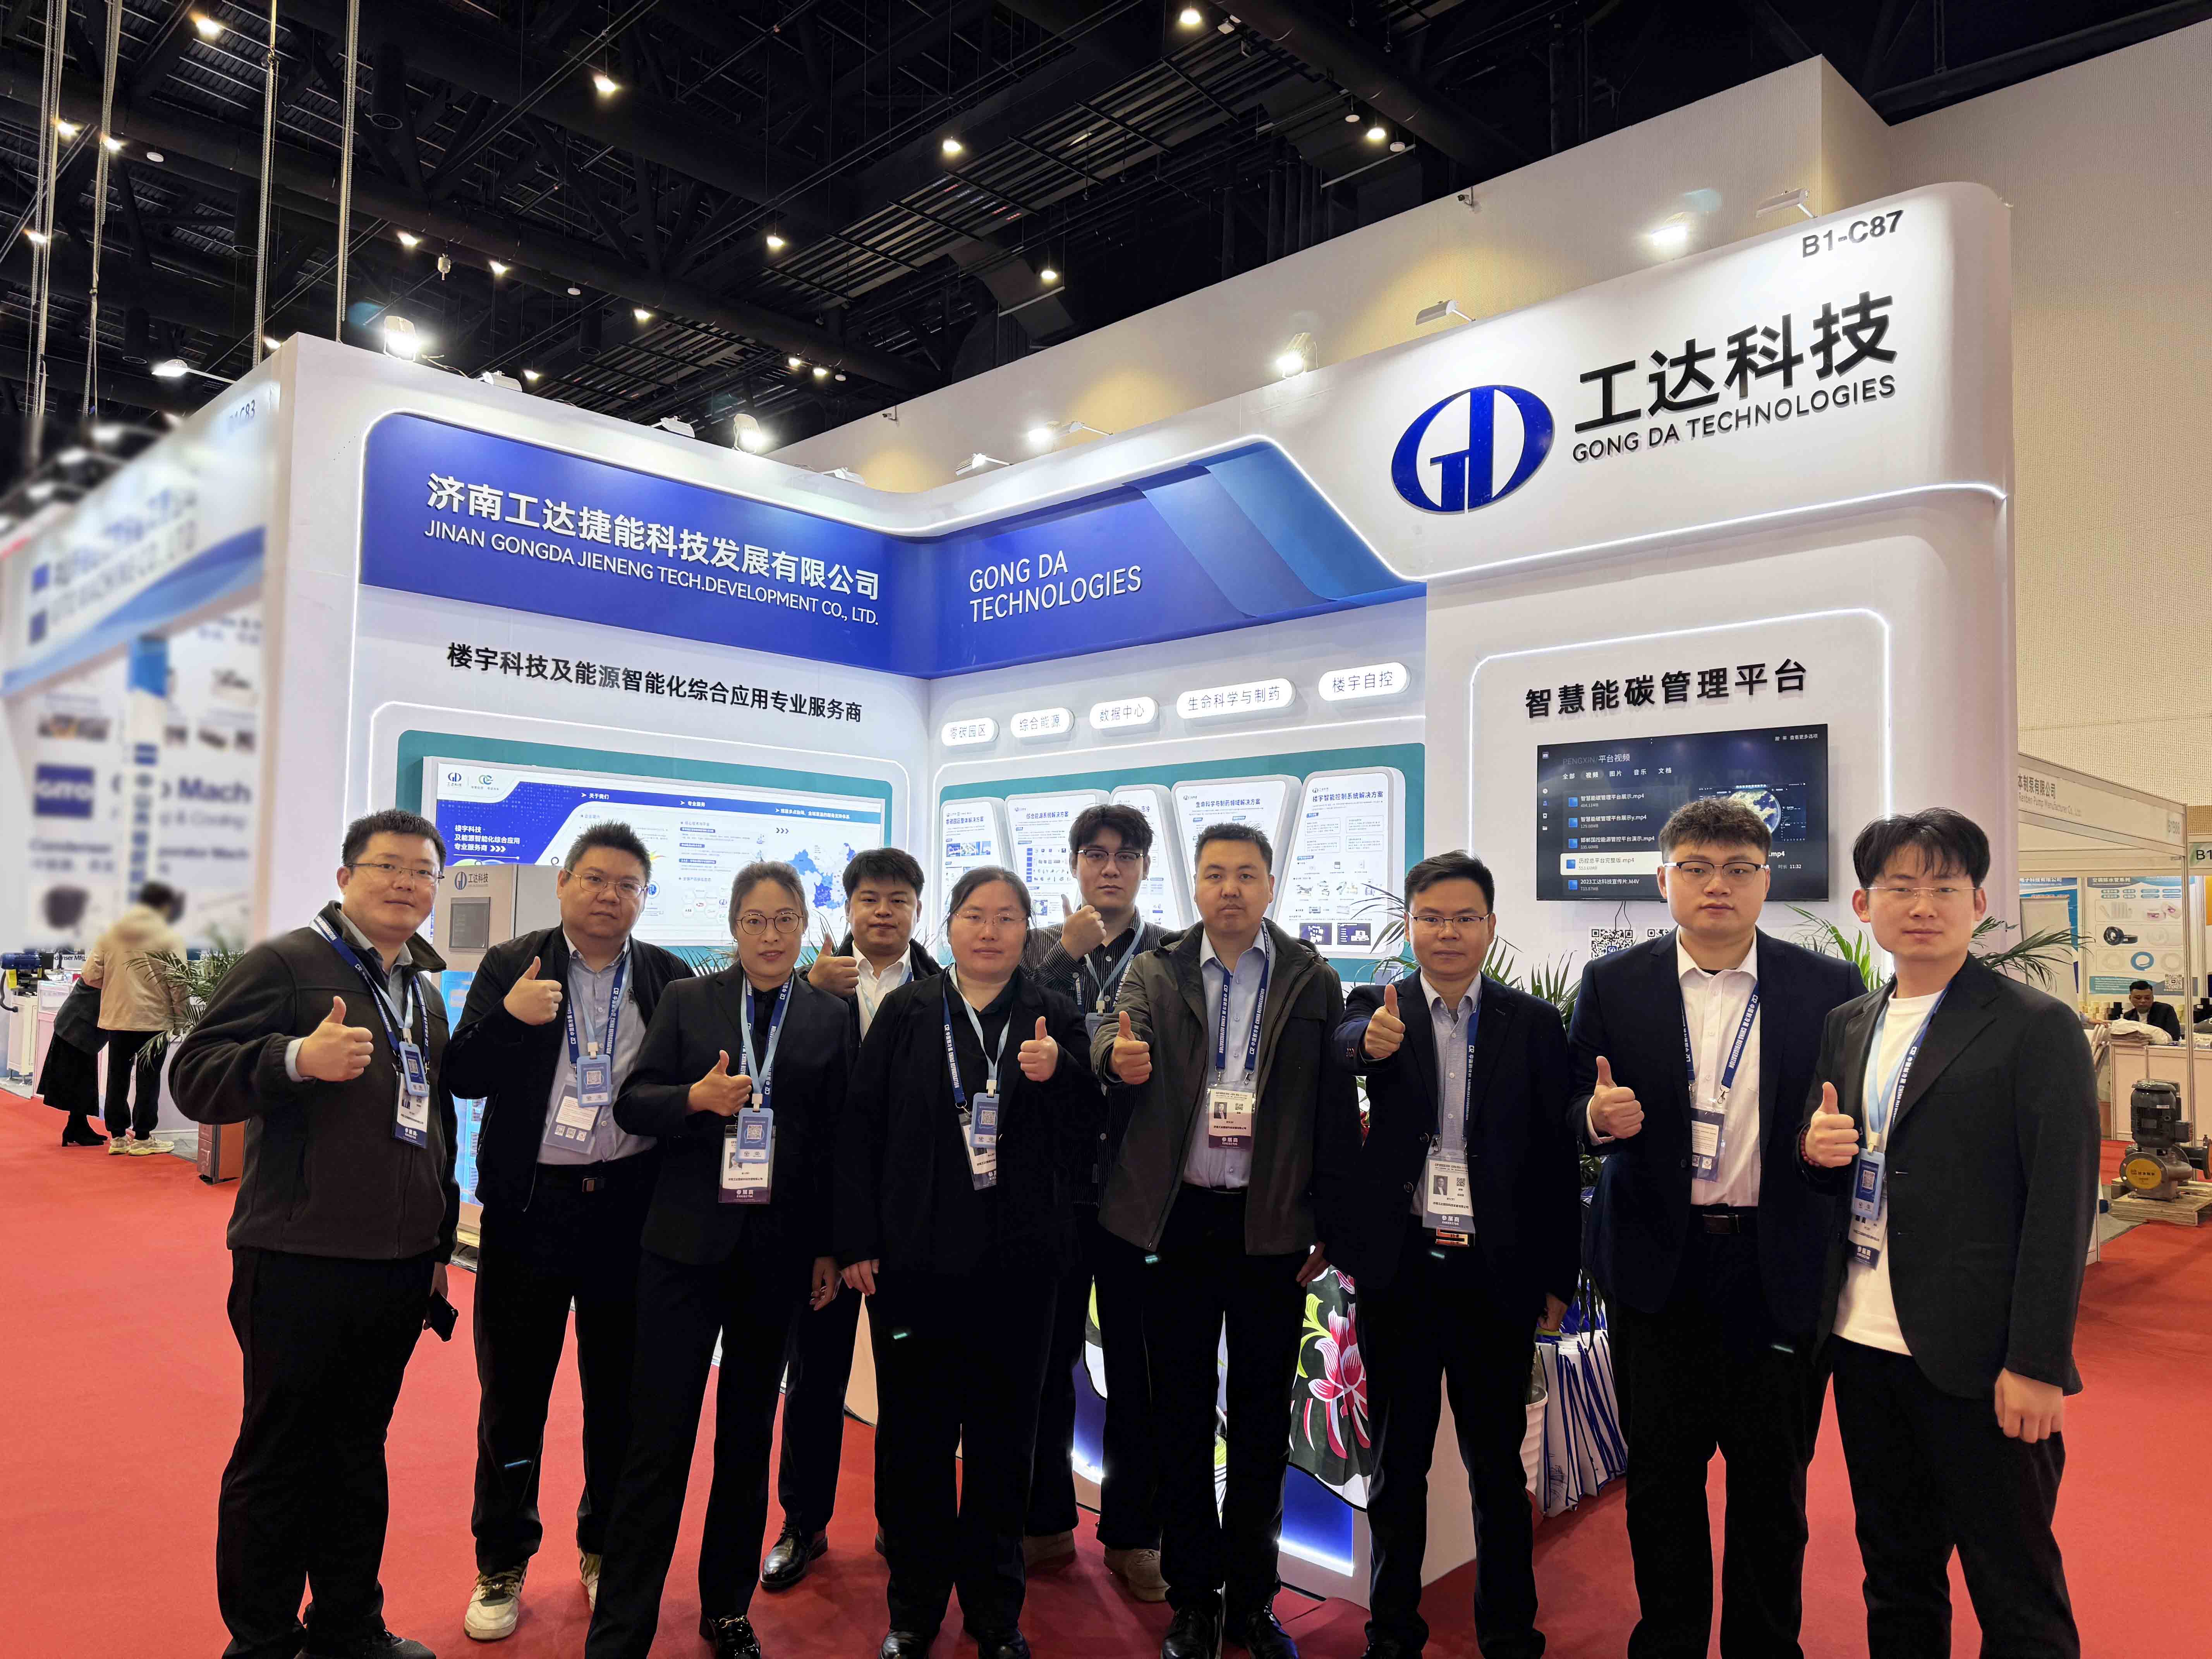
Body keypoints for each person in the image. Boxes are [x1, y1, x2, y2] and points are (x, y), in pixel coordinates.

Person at [1567, 796, 1862, 1659]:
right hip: (1657, 1269)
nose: (1716, 885)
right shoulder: (1614, 982)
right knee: (1661, 1482)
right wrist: (1592, 1119)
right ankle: (1668, 1642)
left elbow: (1845, 1126)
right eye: (1695, 868)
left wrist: (1822, 1148)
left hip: (1775, 1269)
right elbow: (1567, 1106)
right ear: (1664, 879)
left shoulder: (1827, 987)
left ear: (1767, 880)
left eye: (1738, 869)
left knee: (1773, 1488)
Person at [1800, 809, 2095, 1658]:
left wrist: (2037, 1361)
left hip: (1980, 1358)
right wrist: (1812, 1148)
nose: (1922, 905)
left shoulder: (2033, 1024)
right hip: (1863, 1345)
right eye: (1900, 886)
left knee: (2015, 1590)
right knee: (1896, 1574)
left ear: (1978, 903)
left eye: (1943, 886)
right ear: (1865, 904)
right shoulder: (1849, 1021)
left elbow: (2062, 1204)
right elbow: (1829, 1150)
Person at [172, 809, 458, 1659]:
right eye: (387, 866)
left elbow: (434, 1125)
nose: (406, 883)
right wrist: (295, 1059)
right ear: (345, 877)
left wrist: (436, 1245)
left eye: (423, 871)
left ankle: (347, 1625)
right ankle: (260, 1639)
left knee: (358, 1452)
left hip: (396, 1265)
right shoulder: (288, 963)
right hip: (299, 1258)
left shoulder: (422, 988)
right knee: (281, 1456)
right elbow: (194, 1075)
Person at [1093, 823, 1357, 1659]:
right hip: (1177, 1223)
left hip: (1269, 1226)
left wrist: (1328, 1220)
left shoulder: (1311, 978)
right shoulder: (1157, 969)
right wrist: (1114, 1057)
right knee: (1177, 1415)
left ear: (1271, 885)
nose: (1230, 888)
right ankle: (1193, 1597)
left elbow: (1332, 1111)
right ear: (1196, 886)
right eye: (1214, 874)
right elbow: (1112, 1029)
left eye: (1246, 874)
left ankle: (1252, 1599)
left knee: (1259, 1420)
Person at [585, 862, 855, 1659]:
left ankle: (726, 1608)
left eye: (785, 920)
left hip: (777, 1255)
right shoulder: (689, 999)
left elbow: (835, 1143)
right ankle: (622, 1626)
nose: (770, 936)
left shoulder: (829, 1016)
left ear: (804, 926)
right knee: (657, 1440)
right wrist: (694, 1100)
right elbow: (633, 1102)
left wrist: (830, 1246)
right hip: (683, 1250)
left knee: (747, 1437)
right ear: (733, 927)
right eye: (755, 921)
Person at [836, 865, 1099, 1659]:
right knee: (914, 1441)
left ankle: (994, 1611)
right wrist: (857, 1240)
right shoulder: (909, 1011)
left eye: (1008, 917)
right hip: (916, 1265)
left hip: (1020, 1268)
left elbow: (1091, 1127)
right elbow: (861, 1127)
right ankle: (913, 1610)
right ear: (948, 926)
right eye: (975, 915)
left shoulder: (1053, 1011)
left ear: (1027, 930)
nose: (990, 931)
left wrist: (1061, 1076)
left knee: (1004, 1442)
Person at [443, 823, 694, 1641]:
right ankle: (501, 1559)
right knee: (514, 1397)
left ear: (644, 897)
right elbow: (462, 1073)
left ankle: (603, 1545)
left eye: (627, 884)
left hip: (629, 1211)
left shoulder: (667, 975)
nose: (608, 896)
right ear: (563, 884)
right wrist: (510, 1019)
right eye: (593, 878)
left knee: (620, 1397)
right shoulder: (513, 963)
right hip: (531, 1210)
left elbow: (683, 1090)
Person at [1330, 851, 1578, 1659]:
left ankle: (1508, 1631)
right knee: (1397, 1464)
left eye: (1465, 917)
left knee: (1497, 1469)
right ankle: (1391, 1630)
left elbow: (1555, 1159)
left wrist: (1557, 1275)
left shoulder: (1531, 1023)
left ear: (1490, 926)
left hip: (1495, 1273)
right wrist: (1367, 1044)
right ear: (1409, 925)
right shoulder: (1379, 1005)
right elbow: (1343, 1045)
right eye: (1431, 917)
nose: (1447, 932)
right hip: (1402, 1268)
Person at [761, 847, 942, 1591]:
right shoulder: (811, 986)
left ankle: (900, 1522)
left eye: (898, 899)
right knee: (814, 1380)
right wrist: (805, 992)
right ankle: (801, 1522)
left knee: (910, 1388)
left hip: (910, 1231)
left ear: (919, 910)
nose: (883, 911)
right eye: (869, 898)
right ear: (848, 907)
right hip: (822, 1229)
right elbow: (786, 1098)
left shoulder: (943, 989)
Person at [1020, 805, 1168, 1598]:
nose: (1109, 868)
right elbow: (1001, 1023)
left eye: (1125, 855)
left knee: (1139, 1369)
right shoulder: (1034, 947)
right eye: (1095, 854)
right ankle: (1043, 1520)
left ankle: (1134, 1534)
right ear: (1074, 864)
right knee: (1046, 1360)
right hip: (1052, 1191)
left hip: (1140, 1193)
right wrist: (1060, 956)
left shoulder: (1169, 954)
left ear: (1144, 866)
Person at [82, 879, 186, 1154]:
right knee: (149, 1079)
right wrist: (181, 1019)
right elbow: (179, 983)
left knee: (117, 1077)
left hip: (119, 1018)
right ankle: (142, 1138)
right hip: (155, 1020)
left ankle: (117, 1138)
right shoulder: (169, 937)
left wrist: (115, 986)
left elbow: (90, 975)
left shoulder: (111, 934)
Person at [2105, 980, 2182, 1040]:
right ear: (2130, 998)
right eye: (2138, 998)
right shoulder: (2128, 1016)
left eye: (2147, 998)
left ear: (2153, 998)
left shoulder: (2166, 1011)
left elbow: (2174, 1038)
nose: (2143, 1001)